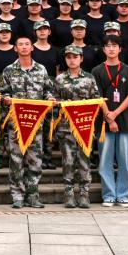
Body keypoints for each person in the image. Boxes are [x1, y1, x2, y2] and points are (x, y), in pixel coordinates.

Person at [0, 36, 56, 209]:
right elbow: (2, 93)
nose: (24, 47)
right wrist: (6, 99)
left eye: (27, 44)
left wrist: (50, 98)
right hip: (15, 124)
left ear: (32, 48)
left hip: (35, 123)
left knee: (35, 160)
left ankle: (32, 195)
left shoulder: (41, 69)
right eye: (20, 45)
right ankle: (17, 195)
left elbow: (48, 90)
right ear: (15, 48)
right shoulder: (9, 70)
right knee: (16, 160)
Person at [91, 35, 128, 207]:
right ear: (103, 49)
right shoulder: (97, 71)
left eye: (114, 46)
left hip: (125, 120)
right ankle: (109, 194)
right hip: (103, 122)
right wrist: (109, 117)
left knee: (125, 160)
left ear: (120, 49)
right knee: (105, 160)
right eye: (108, 46)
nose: (111, 49)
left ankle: (124, 194)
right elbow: (97, 96)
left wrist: (115, 114)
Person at [54, 45, 100, 209]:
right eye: (69, 57)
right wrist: (62, 103)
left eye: (75, 57)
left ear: (81, 59)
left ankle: (84, 194)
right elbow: (54, 101)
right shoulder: (60, 79)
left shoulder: (89, 78)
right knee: (68, 160)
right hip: (65, 127)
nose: (72, 60)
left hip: (84, 127)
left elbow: (96, 100)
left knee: (84, 160)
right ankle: (68, 194)